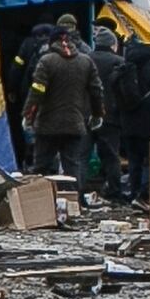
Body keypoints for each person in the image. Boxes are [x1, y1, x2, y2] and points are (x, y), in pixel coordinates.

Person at [95, 26, 150, 207]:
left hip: (127, 117)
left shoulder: (127, 62)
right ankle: (145, 195)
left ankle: (133, 194)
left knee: (134, 159)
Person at [20, 23, 108, 186]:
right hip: (74, 124)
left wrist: (28, 116)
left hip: (47, 124)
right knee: (72, 165)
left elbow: (37, 92)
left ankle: (37, 201)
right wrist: (97, 115)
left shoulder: (46, 61)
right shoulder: (86, 61)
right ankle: (74, 201)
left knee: (41, 167)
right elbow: (97, 91)